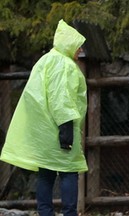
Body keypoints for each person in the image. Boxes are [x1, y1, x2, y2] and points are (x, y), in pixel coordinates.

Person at [0, 19, 88, 216]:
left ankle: (45, 213)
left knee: (46, 173)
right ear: (69, 43)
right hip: (59, 129)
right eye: (78, 45)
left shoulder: (46, 60)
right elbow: (61, 99)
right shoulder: (64, 65)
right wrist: (66, 129)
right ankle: (69, 213)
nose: (80, 50)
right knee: (68, 171)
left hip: (42, 130)